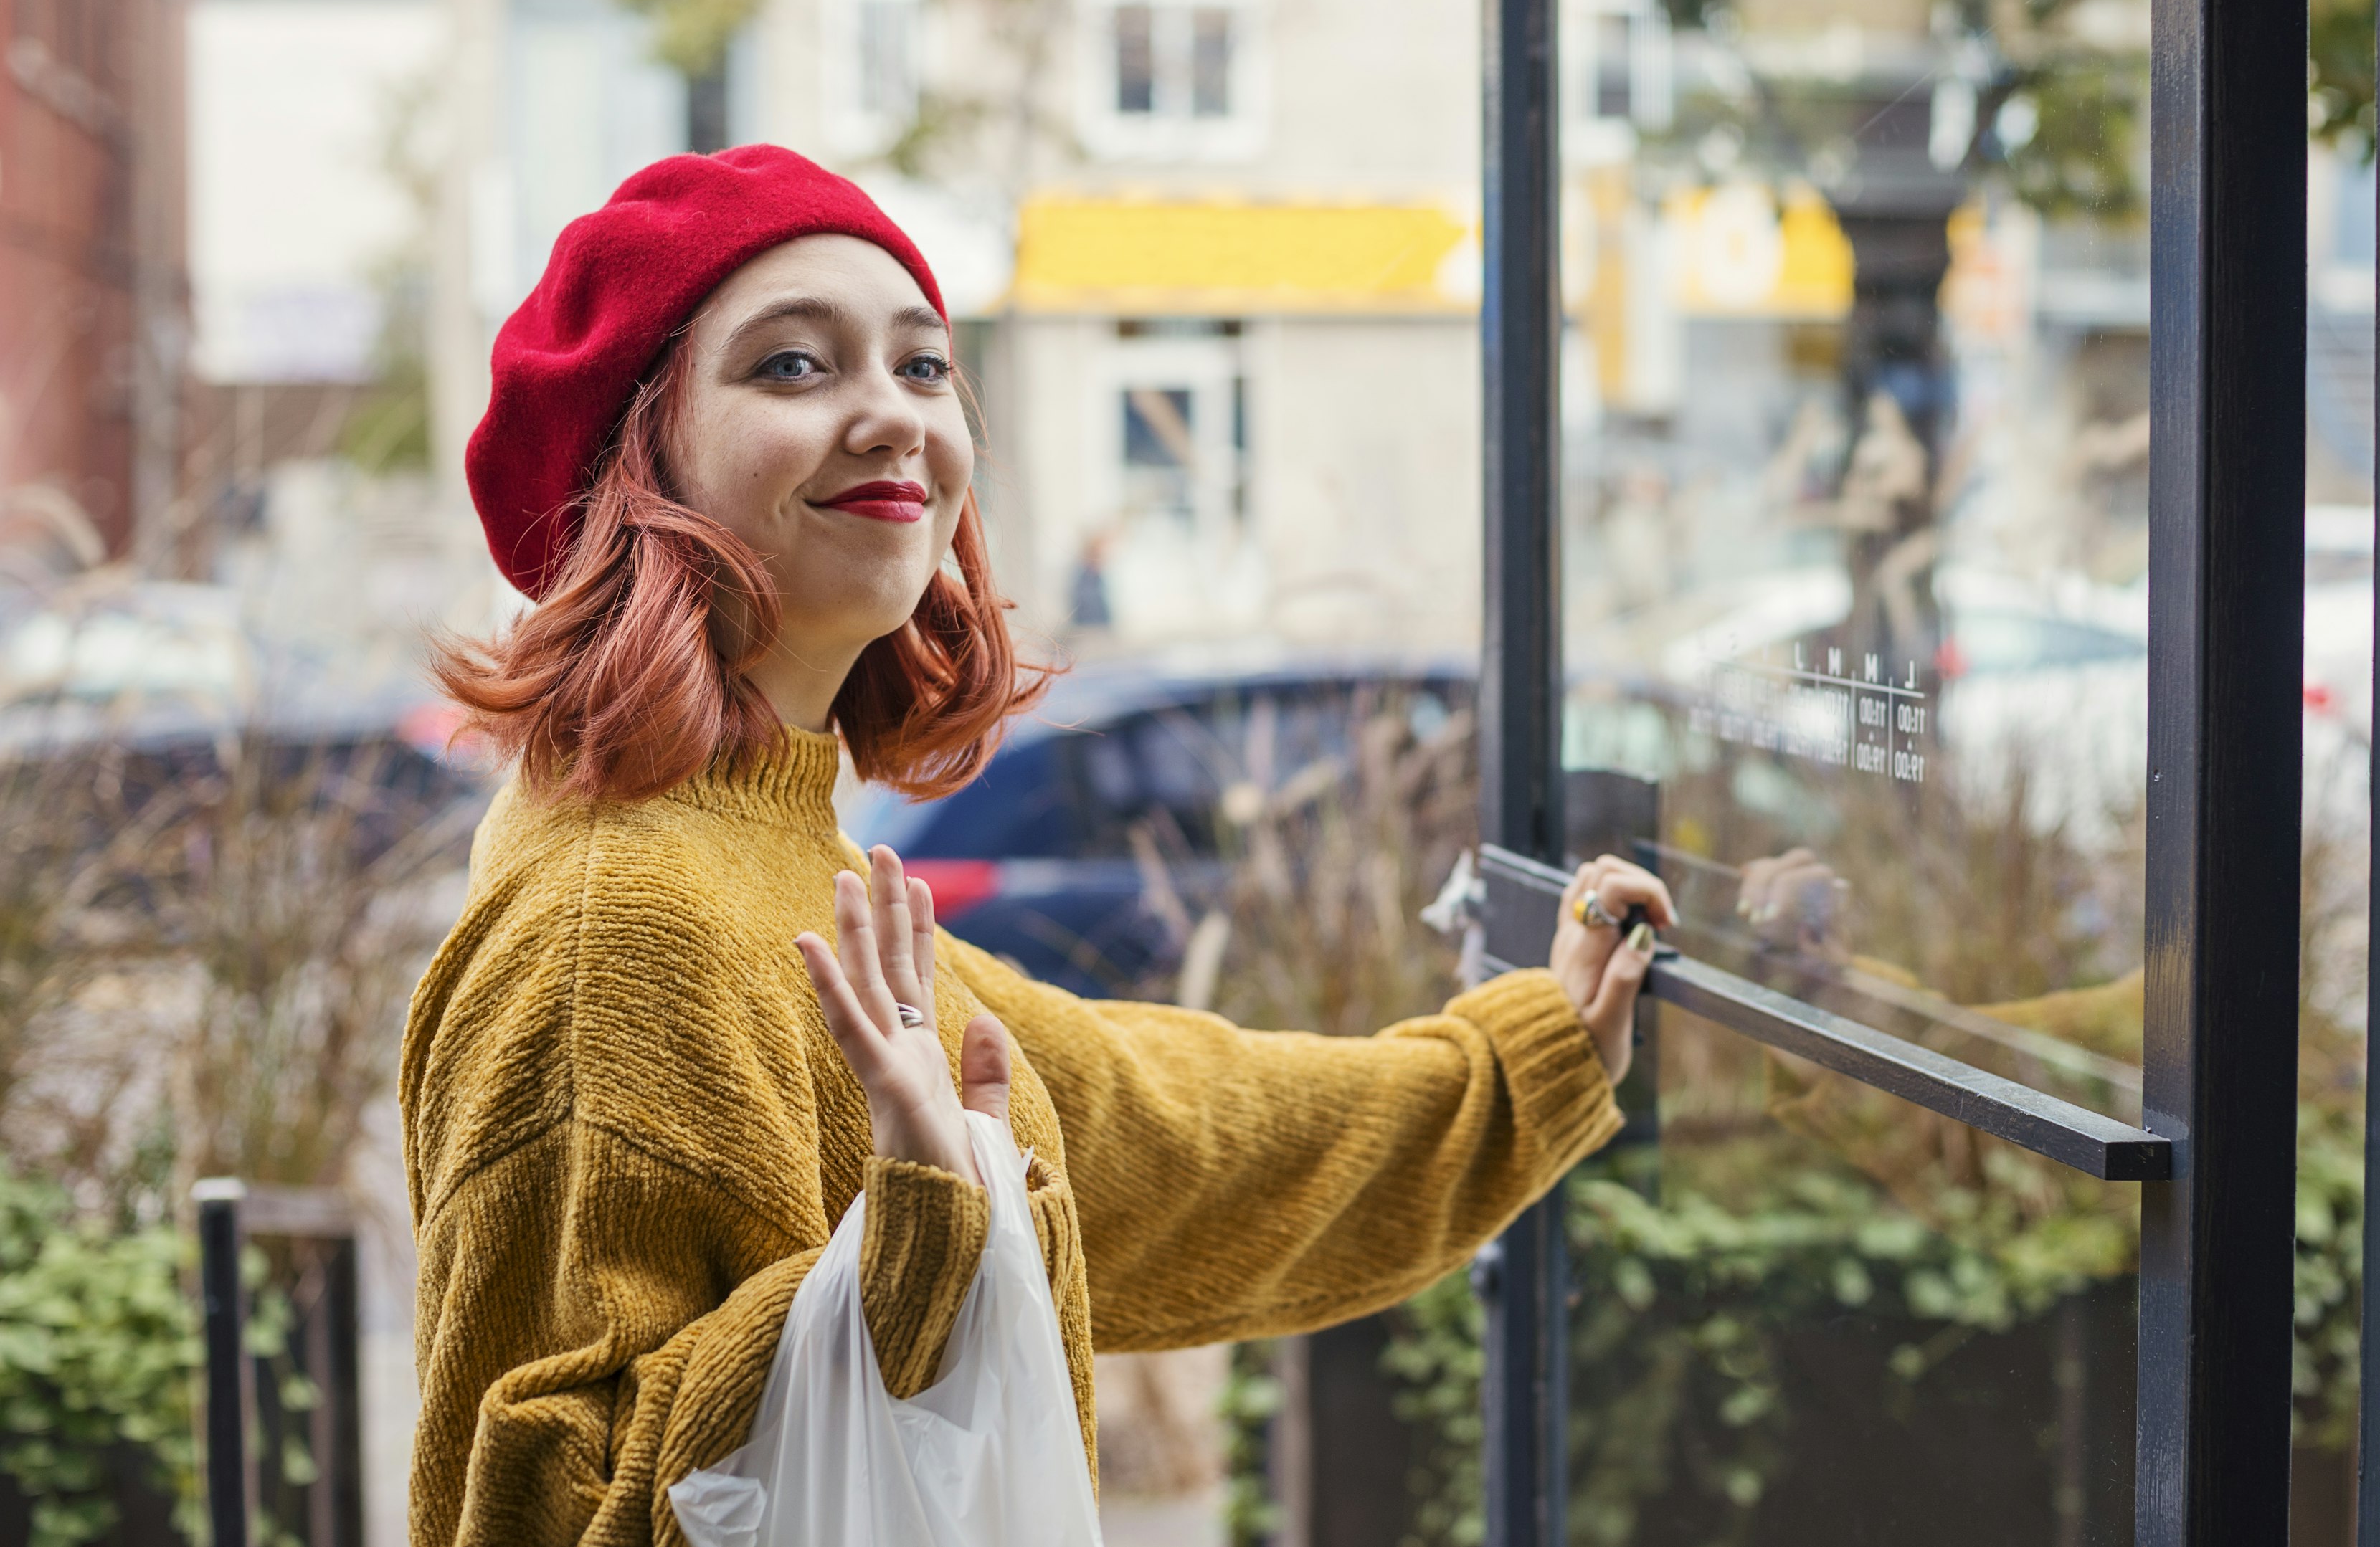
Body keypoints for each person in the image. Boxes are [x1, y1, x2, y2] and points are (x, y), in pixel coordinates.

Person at [399, 146, 1667, 1547]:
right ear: (640, 463)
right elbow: (528, 1510)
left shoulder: (770, 844)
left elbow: (1150, 1136)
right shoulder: (617, 915)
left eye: (924, 366)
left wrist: (1524, 1063)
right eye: (792, 367)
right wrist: (919, 1241)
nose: (890, 416)